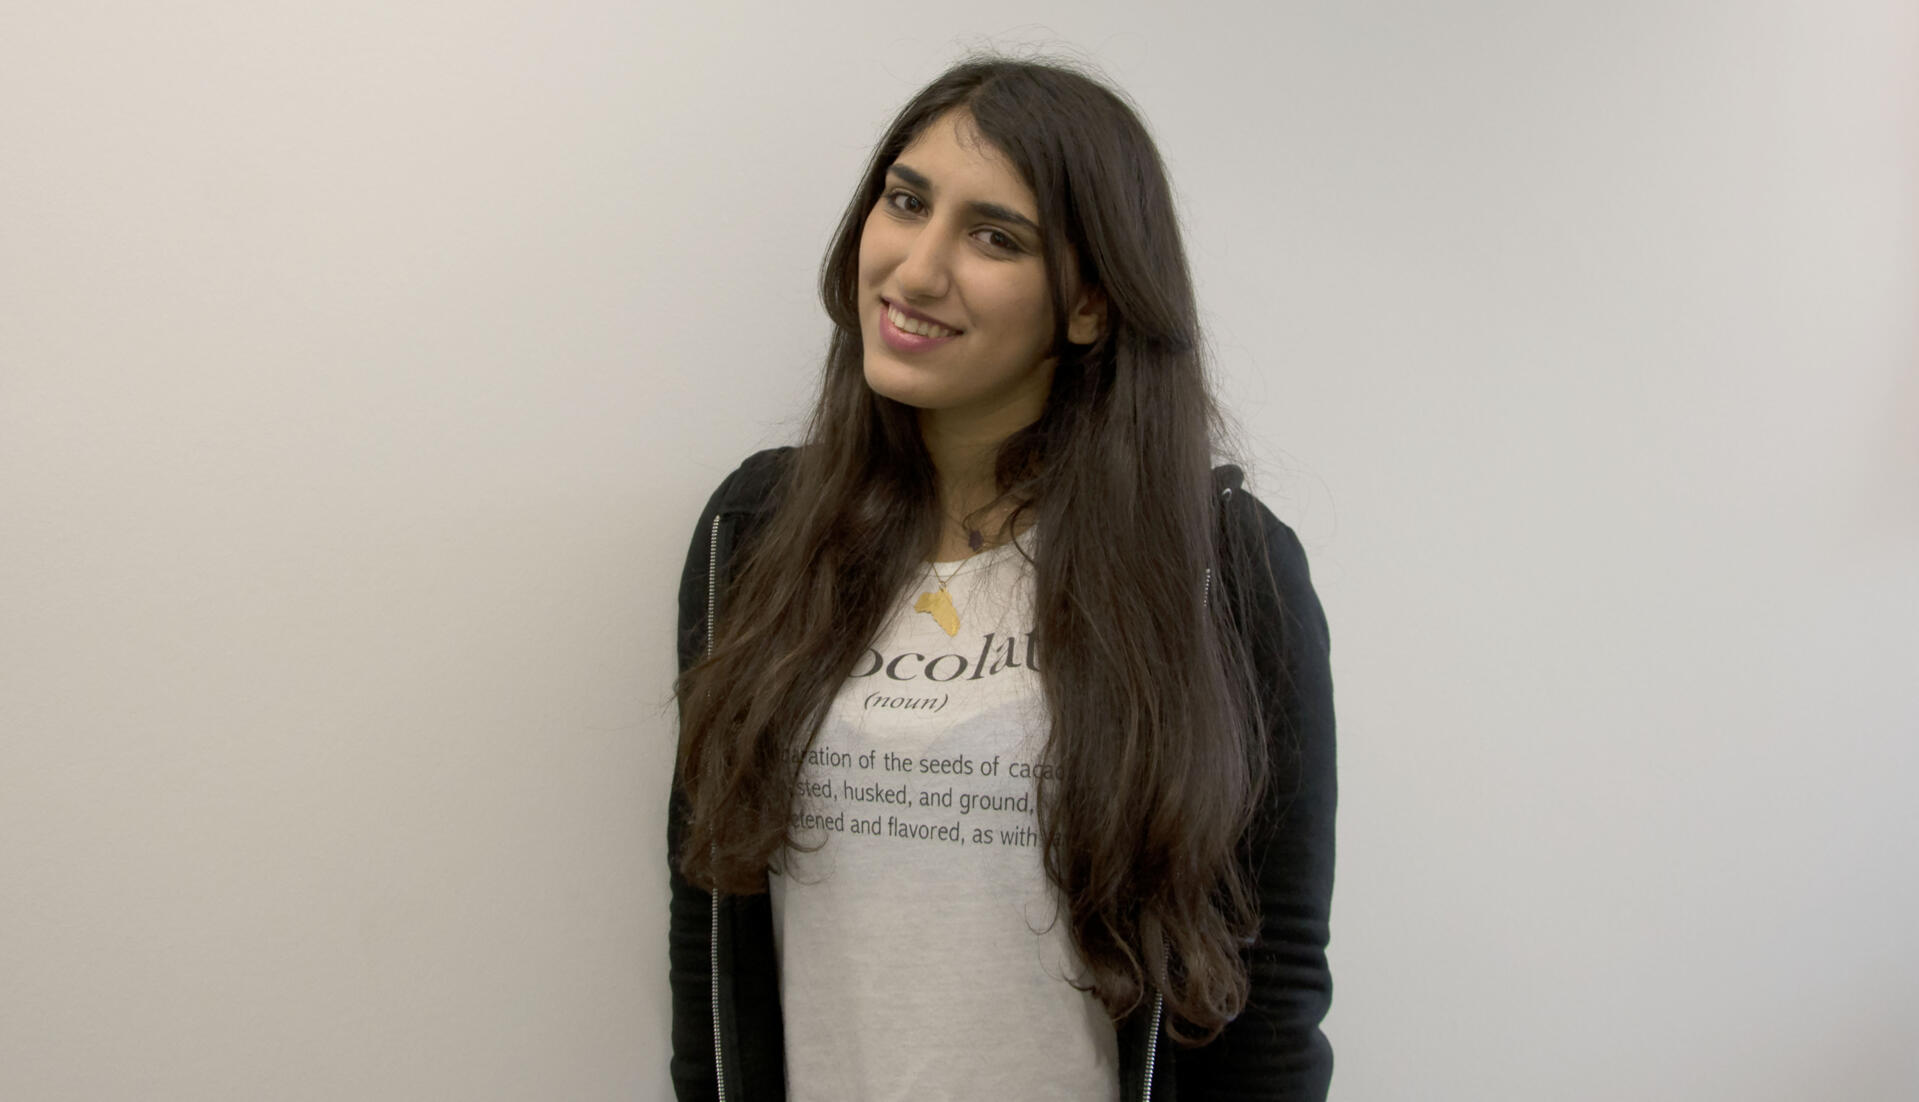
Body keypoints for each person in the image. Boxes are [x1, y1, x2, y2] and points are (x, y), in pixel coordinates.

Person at [669, 55, 1335, 1101]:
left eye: (994, 237)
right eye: (905, 202)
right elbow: (708, 928)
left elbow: (1270, 978)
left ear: (1090, 304)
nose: (915, 270)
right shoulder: (757, 533)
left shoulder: (1220, 571)